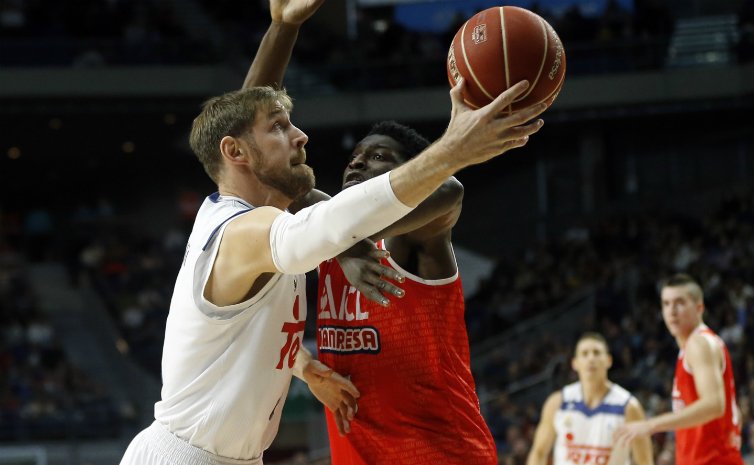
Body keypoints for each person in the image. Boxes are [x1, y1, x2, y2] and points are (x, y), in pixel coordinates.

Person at [119, 0, 548, 463]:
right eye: (281, 128)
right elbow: (327, 221)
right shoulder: (249, 231)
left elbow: (346, 210)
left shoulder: (275, 223)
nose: (302, 136)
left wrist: (282, 27)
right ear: (238, 152)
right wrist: (452, 149)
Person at [247, 3, 497, 463]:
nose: (359, 162)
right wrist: (282, 27)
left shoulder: (414, 234)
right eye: (355, 157)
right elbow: (248, 139)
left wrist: (345, 240)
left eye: (381, 157)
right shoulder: (323, 227)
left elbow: (450, 187)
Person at [615, 273, 744, 465]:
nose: (671, 311)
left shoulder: (698, 344)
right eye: (666, 304)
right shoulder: (694, 346)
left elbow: (714, 405)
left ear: (699, 307)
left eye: (679, 303)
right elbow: (733, 411)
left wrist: (651, 425)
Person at [526, 332, 654, 465]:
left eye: (597, 353)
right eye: (585, 354)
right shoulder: (558, 402)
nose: (591, 358)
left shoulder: (628, 406)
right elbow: (539, 453)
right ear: (575, 363)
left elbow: (644, 461)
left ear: (608, 360)